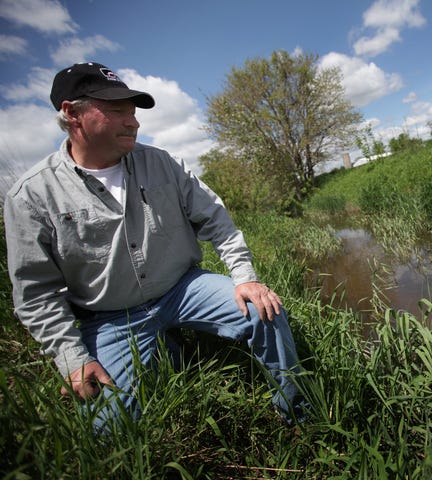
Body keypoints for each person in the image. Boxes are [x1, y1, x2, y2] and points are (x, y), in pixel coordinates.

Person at [4, 62, 303, 430]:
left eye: (132, 112)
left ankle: (296, 415)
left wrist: (245, 278)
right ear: (72, 114)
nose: (133, 122)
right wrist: (71, 357)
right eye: (116, 111)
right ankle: (171, 354)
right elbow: (35, 294)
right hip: (110, 317)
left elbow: (217, 222)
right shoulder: (31, 196)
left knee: (264, 308)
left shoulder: (162, 164)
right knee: (108, 427)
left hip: (182, 288)